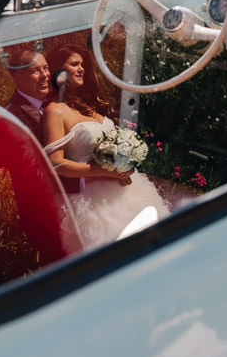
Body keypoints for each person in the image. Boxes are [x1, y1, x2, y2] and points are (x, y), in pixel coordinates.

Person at [42, 43, 170, 247]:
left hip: (128, 191)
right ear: (59, 70)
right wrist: (102, 171)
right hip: (95, 202)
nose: (81, 69)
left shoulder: (91, 104)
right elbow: (56, 163)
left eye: (83, 64)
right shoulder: (55, 111)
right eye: (74, 64)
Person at [5, 48, 51, 144]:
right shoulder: (10, 118)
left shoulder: (59, 98)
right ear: (18, 77)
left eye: (46, 68)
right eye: (36, 71)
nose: (44, 75)